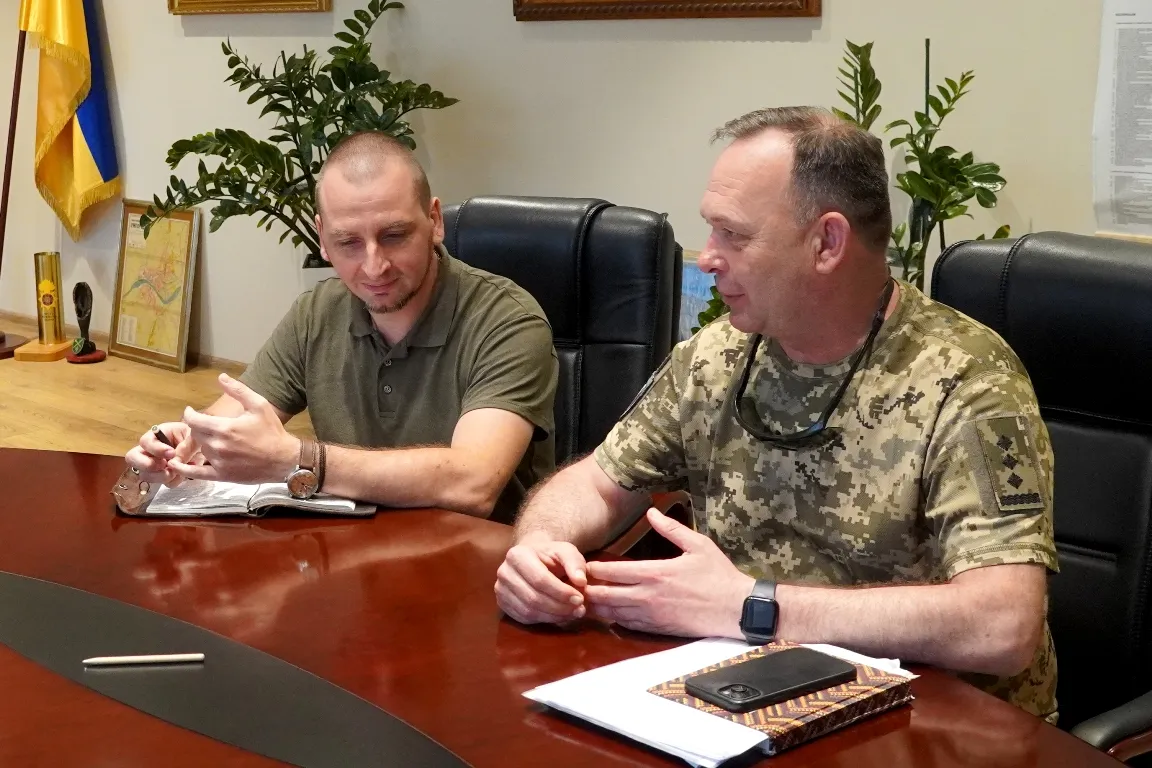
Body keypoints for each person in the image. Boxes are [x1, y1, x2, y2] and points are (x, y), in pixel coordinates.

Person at [494, 107, 1058, 721]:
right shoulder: (718, 355)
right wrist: (540, 547)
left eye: (733, 235)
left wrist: (752, 606)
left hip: (935, 723)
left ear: (827, 243)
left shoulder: (967, 379)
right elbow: (595, 482)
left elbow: (1003, 624)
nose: (707, 258)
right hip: (751, 695)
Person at [125, 131, 558, 523]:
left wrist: (300, 459)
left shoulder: (508, 321)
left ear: (435, 221)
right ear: (322, 238)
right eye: (348, 242)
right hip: (349, 551)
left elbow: (473, 483)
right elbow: (230, 423)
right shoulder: (316, 313)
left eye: (394, 235)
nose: (374, 266)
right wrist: (186, 443)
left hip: (480, 561)